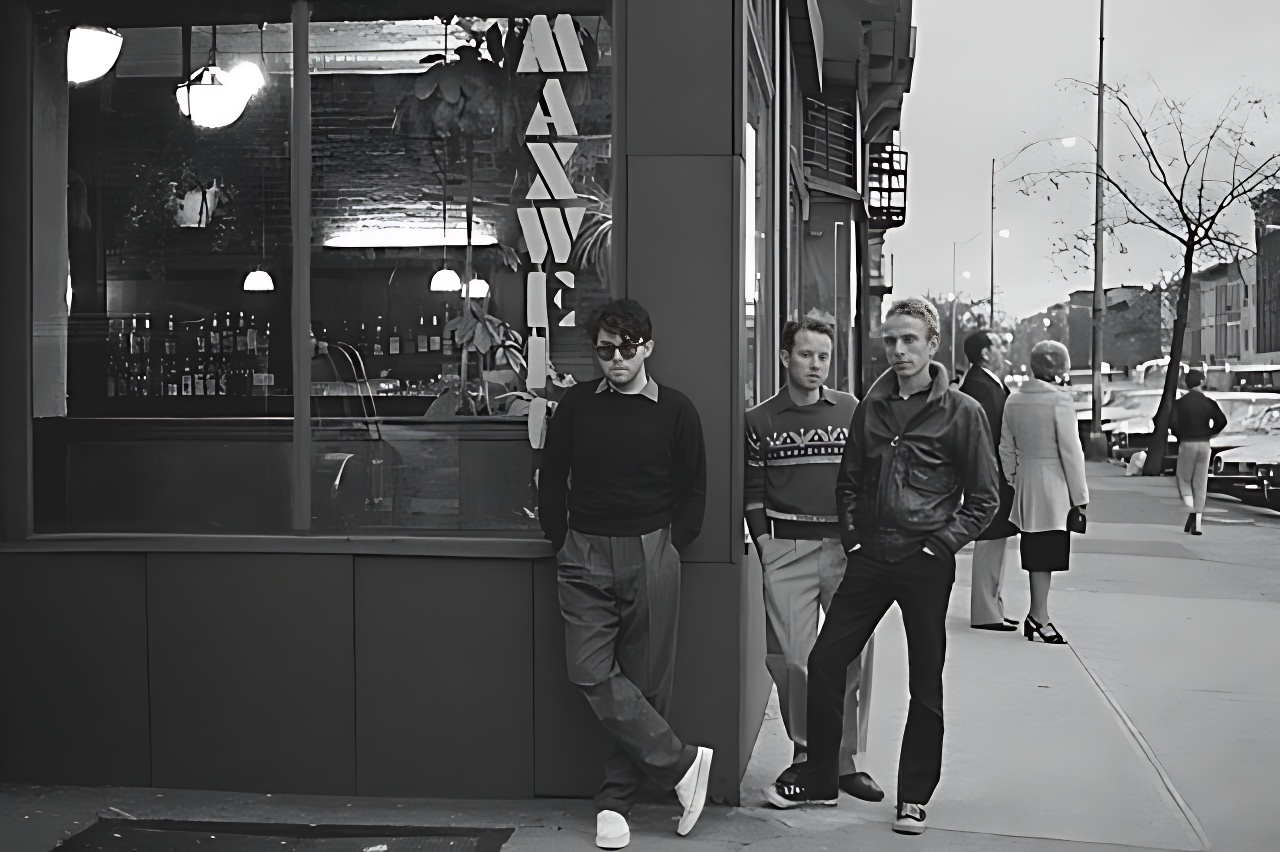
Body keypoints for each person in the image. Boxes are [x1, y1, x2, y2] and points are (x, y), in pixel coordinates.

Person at [766, 298, 1000, 837]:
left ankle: (913, 796)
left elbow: (985, 499)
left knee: (925, 680)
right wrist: (853, 539)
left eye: (909, 339)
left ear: (932, 344)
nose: (898, 350)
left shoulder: (962, 411)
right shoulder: (872, 405)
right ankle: (821, 778)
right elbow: (849, 480)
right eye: (890, 340)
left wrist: (941, 544)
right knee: (826, 660)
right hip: (870, 557)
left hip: (925, 561)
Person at [538, 299, 712, 850]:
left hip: (651, 548)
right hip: (583, 550)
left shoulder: (676, 410)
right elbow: (552, 475)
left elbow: (695, 486)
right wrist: (560, 537)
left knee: (645, 682)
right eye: (605, 349)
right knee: (589, 670)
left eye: (627, 348)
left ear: (647, 348)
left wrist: (672, 545)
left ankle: (615, 803)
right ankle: (682, 765)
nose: (616, 359)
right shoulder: (576, 405)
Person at [745, 320, 882, 805]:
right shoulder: (759, 420)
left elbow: (870, 476)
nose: (816, 365)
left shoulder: (851, 409)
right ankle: (809, 755)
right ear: (786, 357)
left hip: (846, 552)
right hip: (787, 551)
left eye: (823, 356)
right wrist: (765, 545)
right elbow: (752, 490)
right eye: (806, 354)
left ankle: (842, 763)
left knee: (851, 660)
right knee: (793, 661)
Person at [998, 340, 1089, 645]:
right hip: (1054, 487)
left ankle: (1038, 615)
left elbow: (1005, 447)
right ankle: (1040, 617)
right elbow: (1071, 453)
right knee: (1047, 554)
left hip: (1027, 483)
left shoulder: (1013, 400)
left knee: (1035, 552)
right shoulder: (1059, 401)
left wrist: (1014, 478)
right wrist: (1080, 497)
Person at [959, 331, 1020, 632]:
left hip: (994, 475)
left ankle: (993, 606)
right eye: (999, 345)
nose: (1005, 349)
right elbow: (982, 436)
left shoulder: (989, 382)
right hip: (989, 476)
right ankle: (986, 611)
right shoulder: (979, 386)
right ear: (985, 353)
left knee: (996, 540)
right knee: (989, 540)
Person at [1170, 369, 1227, 535]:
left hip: (1187, 443)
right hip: (1204, 444)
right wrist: (1210, 433)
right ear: (1202, 382)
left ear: (1186, 384)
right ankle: (1198, 523)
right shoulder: (1209, 402)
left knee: (1184, 480)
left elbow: (1172, 425)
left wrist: (1180, 435)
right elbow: (1222, 421)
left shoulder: (1179, 404)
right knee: (1201, 484)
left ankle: (1191, 511)